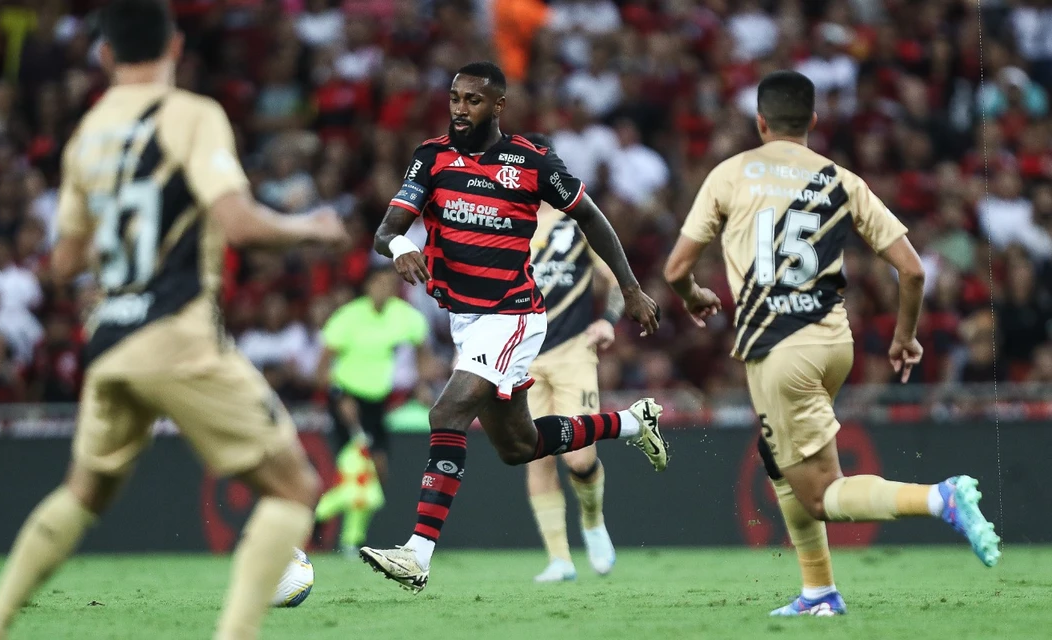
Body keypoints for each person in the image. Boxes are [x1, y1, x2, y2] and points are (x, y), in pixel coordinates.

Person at [0, 1, 347, 639]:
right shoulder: (192, 117)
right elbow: (240, 224)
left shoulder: (86, 134)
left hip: (110, 339)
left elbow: (62, 262)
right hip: (178, 333)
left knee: (81, 493)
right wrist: (314, 228)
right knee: (295, 488)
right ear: (174, 47)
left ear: (106, 56)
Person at [663, 70, 1001, 618]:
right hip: (832, 342)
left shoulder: (730, 174)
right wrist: (904, 337)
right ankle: (818, 592)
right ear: (813, 122)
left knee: (821, 493)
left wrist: (695, 294)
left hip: (779, 349)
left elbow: (676, 267)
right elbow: (912, 271)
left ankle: (940, 498)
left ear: (760, 121)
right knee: (780, 462)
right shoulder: (840, 179)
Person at [359, 61, 667, 593]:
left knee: (447, 412)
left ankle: (417, 554)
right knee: (518, 447)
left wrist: (632, 288)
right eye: (455, 97)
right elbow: (387, 229)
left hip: (512, 315)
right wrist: (403, 245)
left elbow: (593, 217)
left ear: (498, 105)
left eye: (473, 100)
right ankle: (633, 423)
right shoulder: (431, 157)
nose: (460, 109)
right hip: (465, 319)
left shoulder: (530, 162)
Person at [519, 132, 657, 584]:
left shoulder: (574, 221)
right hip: (519, 355)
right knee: (534, 455)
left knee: (578, 459)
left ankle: (594, 522)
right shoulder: (505, 224)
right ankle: (559, 559)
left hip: (572, 351)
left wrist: (610, 320)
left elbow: (616, 277)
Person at [316, 265, 428, 552]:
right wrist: (340, 396)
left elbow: (422, 353)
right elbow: (322, 368)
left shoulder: (403, 316)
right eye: (379, 283)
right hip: (346, 400)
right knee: (357, 470)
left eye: (390, 284)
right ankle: (351, 541)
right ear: (367, 286)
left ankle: (320, 513)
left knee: (377, 472)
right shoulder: (348, 317)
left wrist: (423, 384)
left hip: (377, 404)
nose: (385, 289)